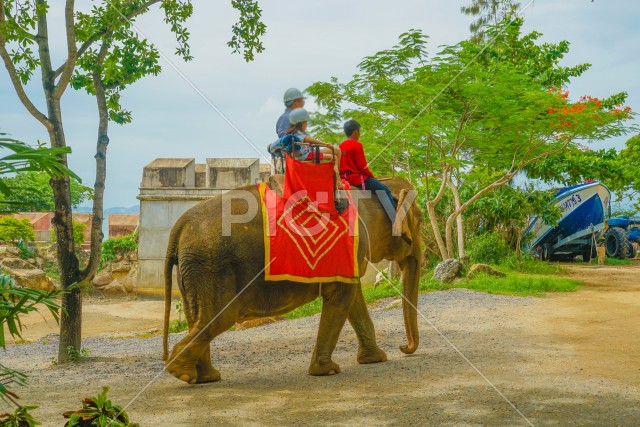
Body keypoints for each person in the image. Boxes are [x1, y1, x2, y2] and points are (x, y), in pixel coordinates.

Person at [339, 119, 396, 221]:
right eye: (359, 131)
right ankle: (395, 221)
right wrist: (372, 177)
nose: (359, 134)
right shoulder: (357, 145)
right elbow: (362, 167)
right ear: (355, 131)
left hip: (343, 179)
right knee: (385, 190)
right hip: (356, 179)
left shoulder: (340, 146)